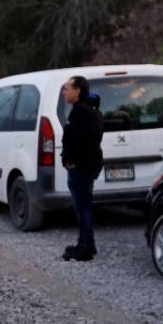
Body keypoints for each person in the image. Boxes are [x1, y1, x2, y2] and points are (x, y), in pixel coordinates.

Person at [60, 75, 104, 261]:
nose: (64, 92)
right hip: (88, 165)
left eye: (67, 88)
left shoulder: (81, 112)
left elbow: (82, 141)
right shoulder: (89, 110)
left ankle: (85, 248)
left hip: (82, 167)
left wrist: (71, 160)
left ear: (77, 91)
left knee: (83, 207)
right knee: (85, 205)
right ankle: (87, 244)